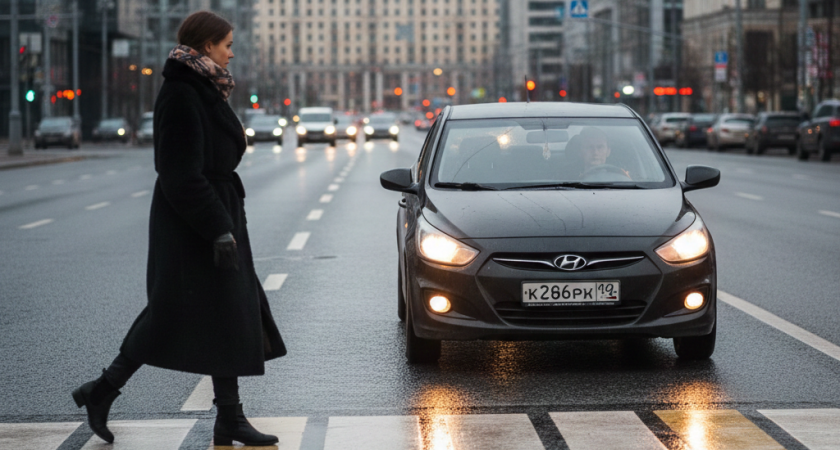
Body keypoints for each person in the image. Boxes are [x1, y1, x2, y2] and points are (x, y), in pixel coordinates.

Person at [71, 11, 286, 447]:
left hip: (214, 214)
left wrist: (223, 222)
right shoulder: (182, 92)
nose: (231, 53)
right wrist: (217, 228)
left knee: (223, 313)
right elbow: (177, 173)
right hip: (193, 223)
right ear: (207, 46)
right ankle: (103, 391)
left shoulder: (204, 86)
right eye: (227, 45)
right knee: (175, 313)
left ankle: (228, 417)